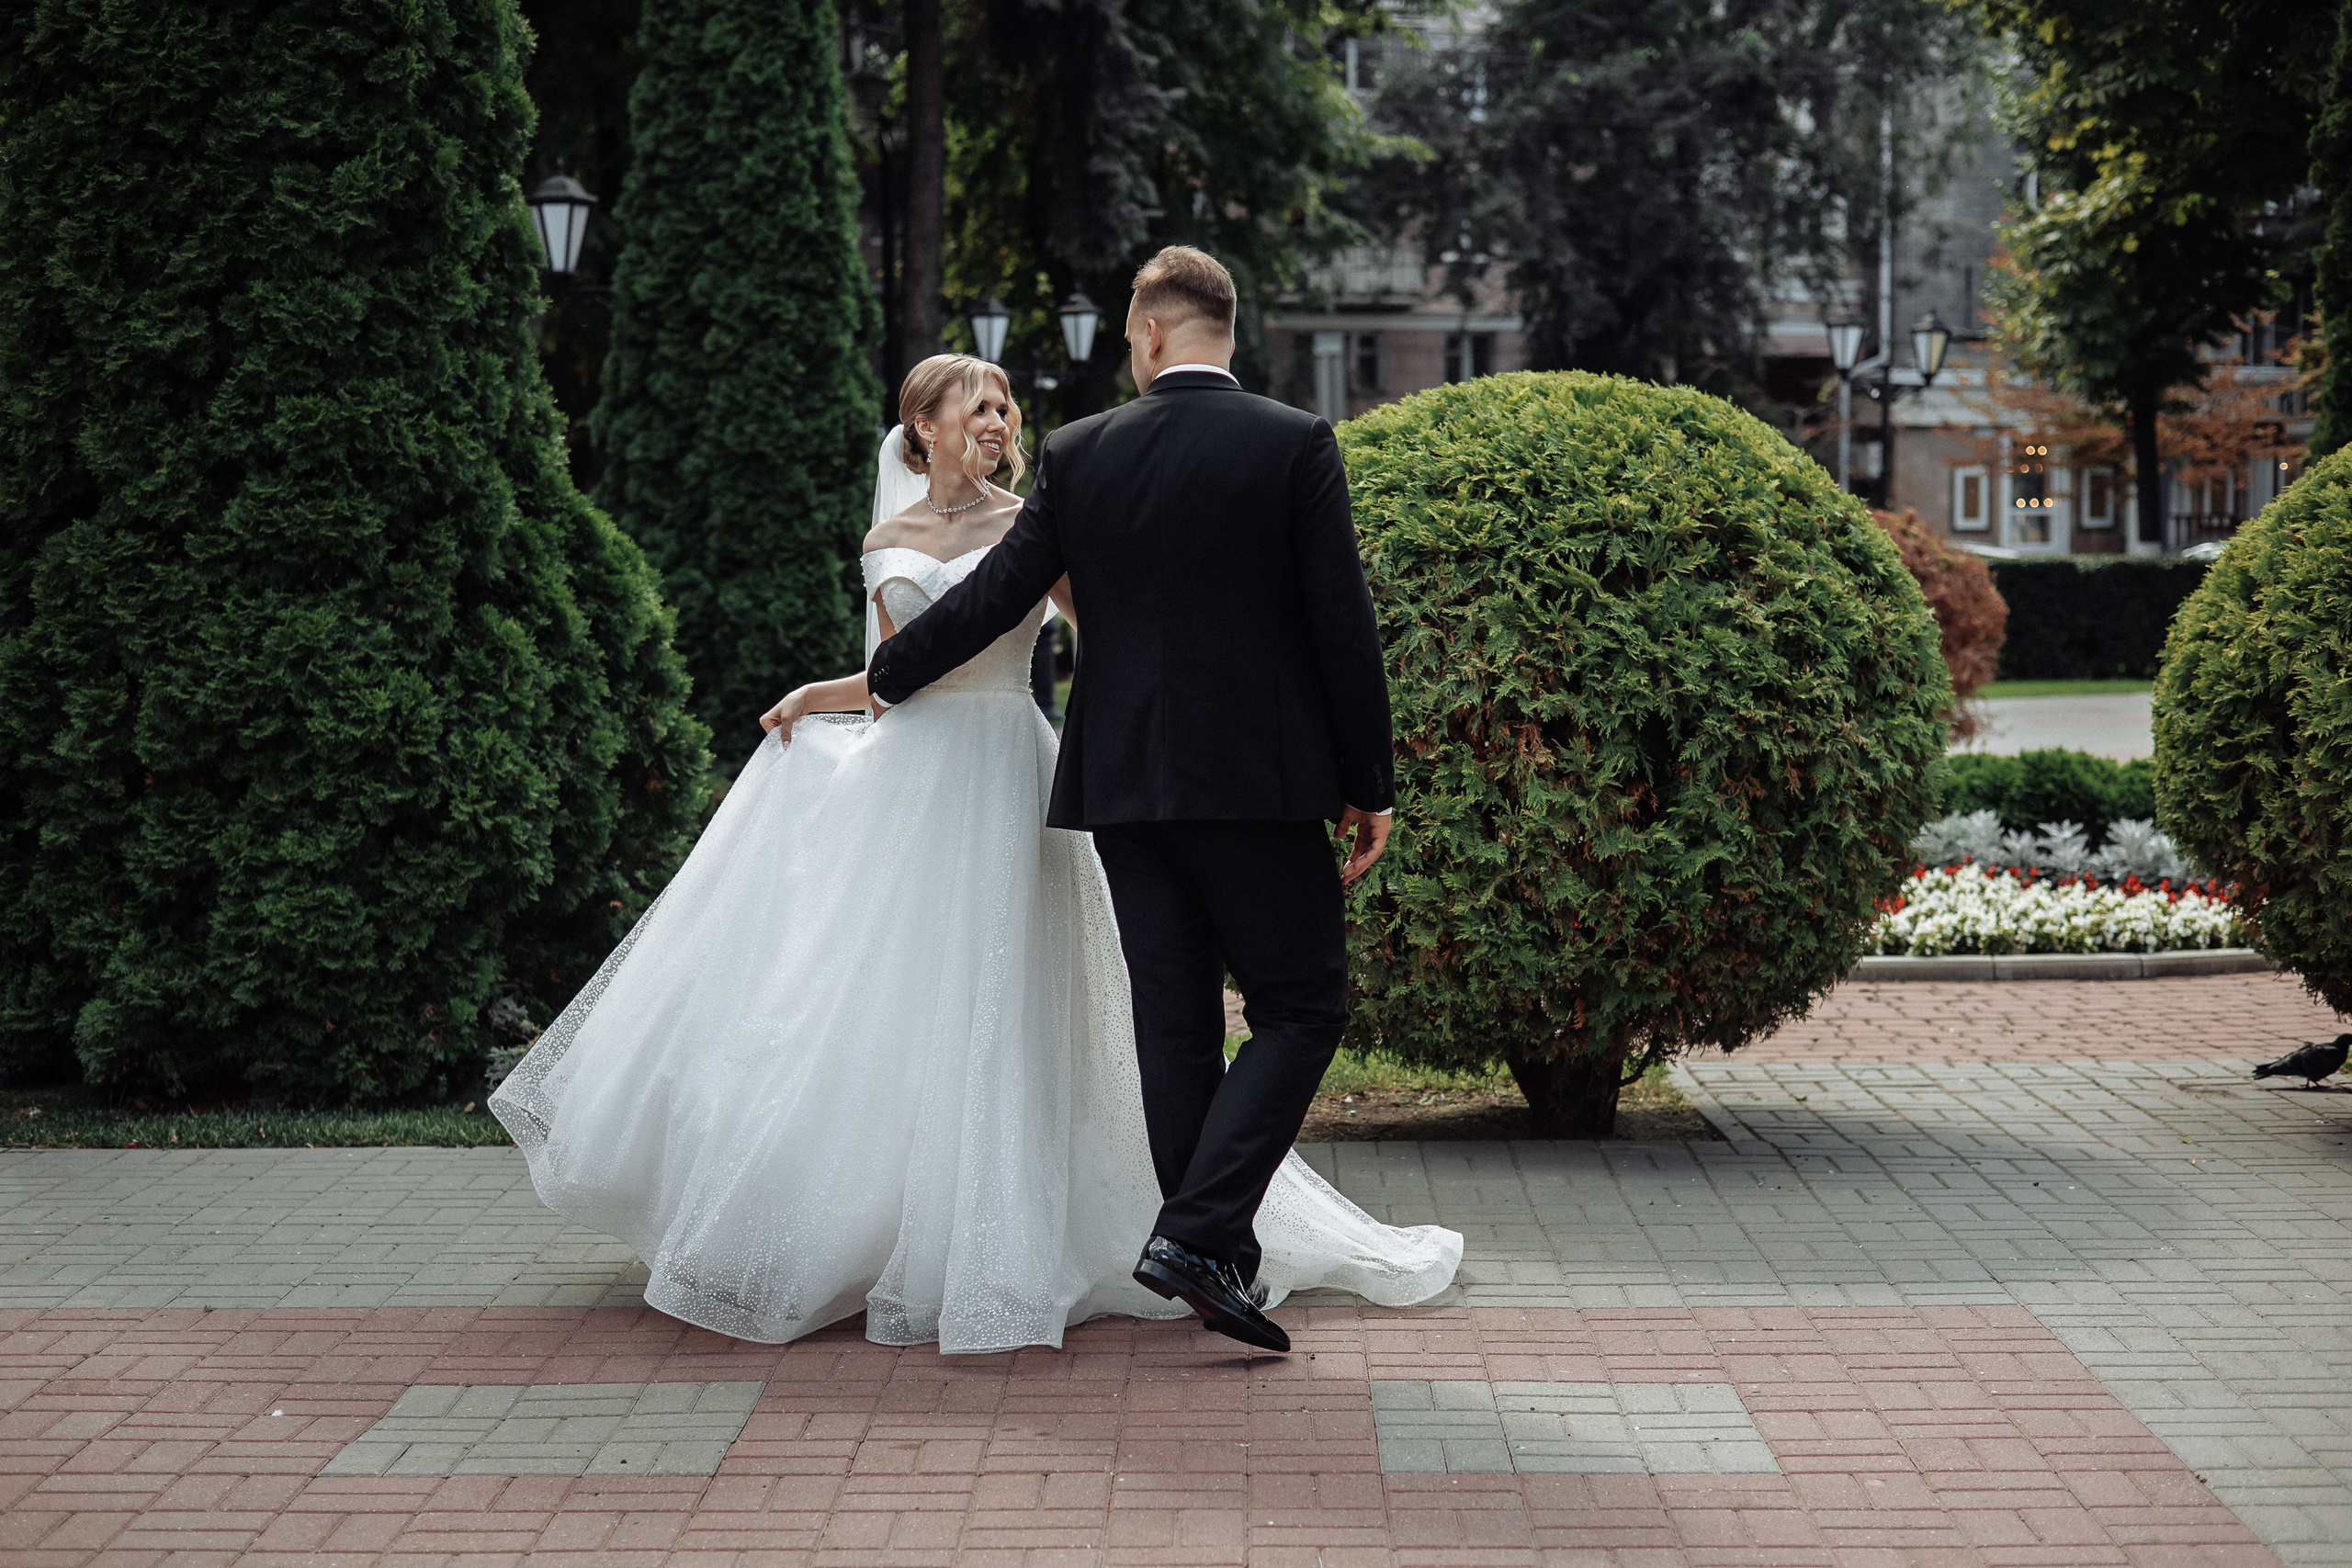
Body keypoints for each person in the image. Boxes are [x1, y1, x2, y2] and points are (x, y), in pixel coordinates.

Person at [488, 349, 1458, 1356]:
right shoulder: (889, 536)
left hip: (1009, 767)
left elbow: (1113, 630)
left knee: (1027, 999)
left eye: (1003, 405)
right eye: (975, 405)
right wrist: (826, 697)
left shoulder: (1043, 510)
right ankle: (908, 1222)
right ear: (922, 431)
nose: (997, 420)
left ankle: (1112, 1232)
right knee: (887, 997)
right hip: (909, 774)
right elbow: (899, 656)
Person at [867, 246, 1402, 1353]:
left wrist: (874, 680)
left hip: (1122, 786)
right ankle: (1199, 1234)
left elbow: (999, 597)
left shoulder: (1080, 450)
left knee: (1175, 1024)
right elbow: (1339, 627)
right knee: (1303, 1008)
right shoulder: (1294, 442)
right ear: (1224, 329)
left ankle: (1214, 1259)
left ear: (1151, 334)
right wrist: (1368, 785)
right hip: (1258, 783)